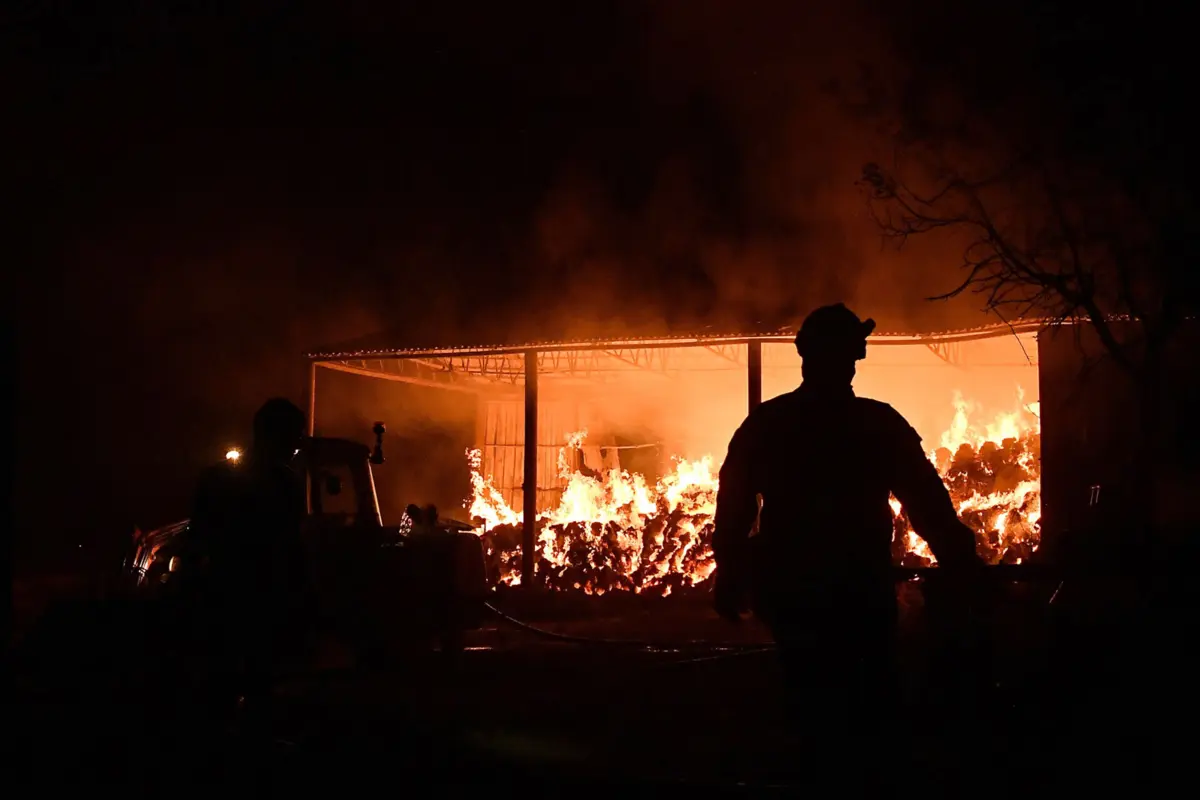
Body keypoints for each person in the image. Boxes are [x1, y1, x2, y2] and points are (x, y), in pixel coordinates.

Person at [711, 303, 985, 732]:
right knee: (869, 707)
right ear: (853, 357)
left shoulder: (769, 424)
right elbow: (925, 500)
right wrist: (959, 557)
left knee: (808, 704)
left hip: (794, 592)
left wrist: (730, 571)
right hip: (859, 589)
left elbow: (734, 505)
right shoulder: (876, 424)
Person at [187, 398, 312, 727]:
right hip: (259, 599)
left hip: (223, 596)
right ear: (276, 436)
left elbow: (197, 539)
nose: (298, 446)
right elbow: (291, 545)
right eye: (295, 437)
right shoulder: (285, 485)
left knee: (222, 683)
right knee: (257, 684)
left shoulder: (216, 478)